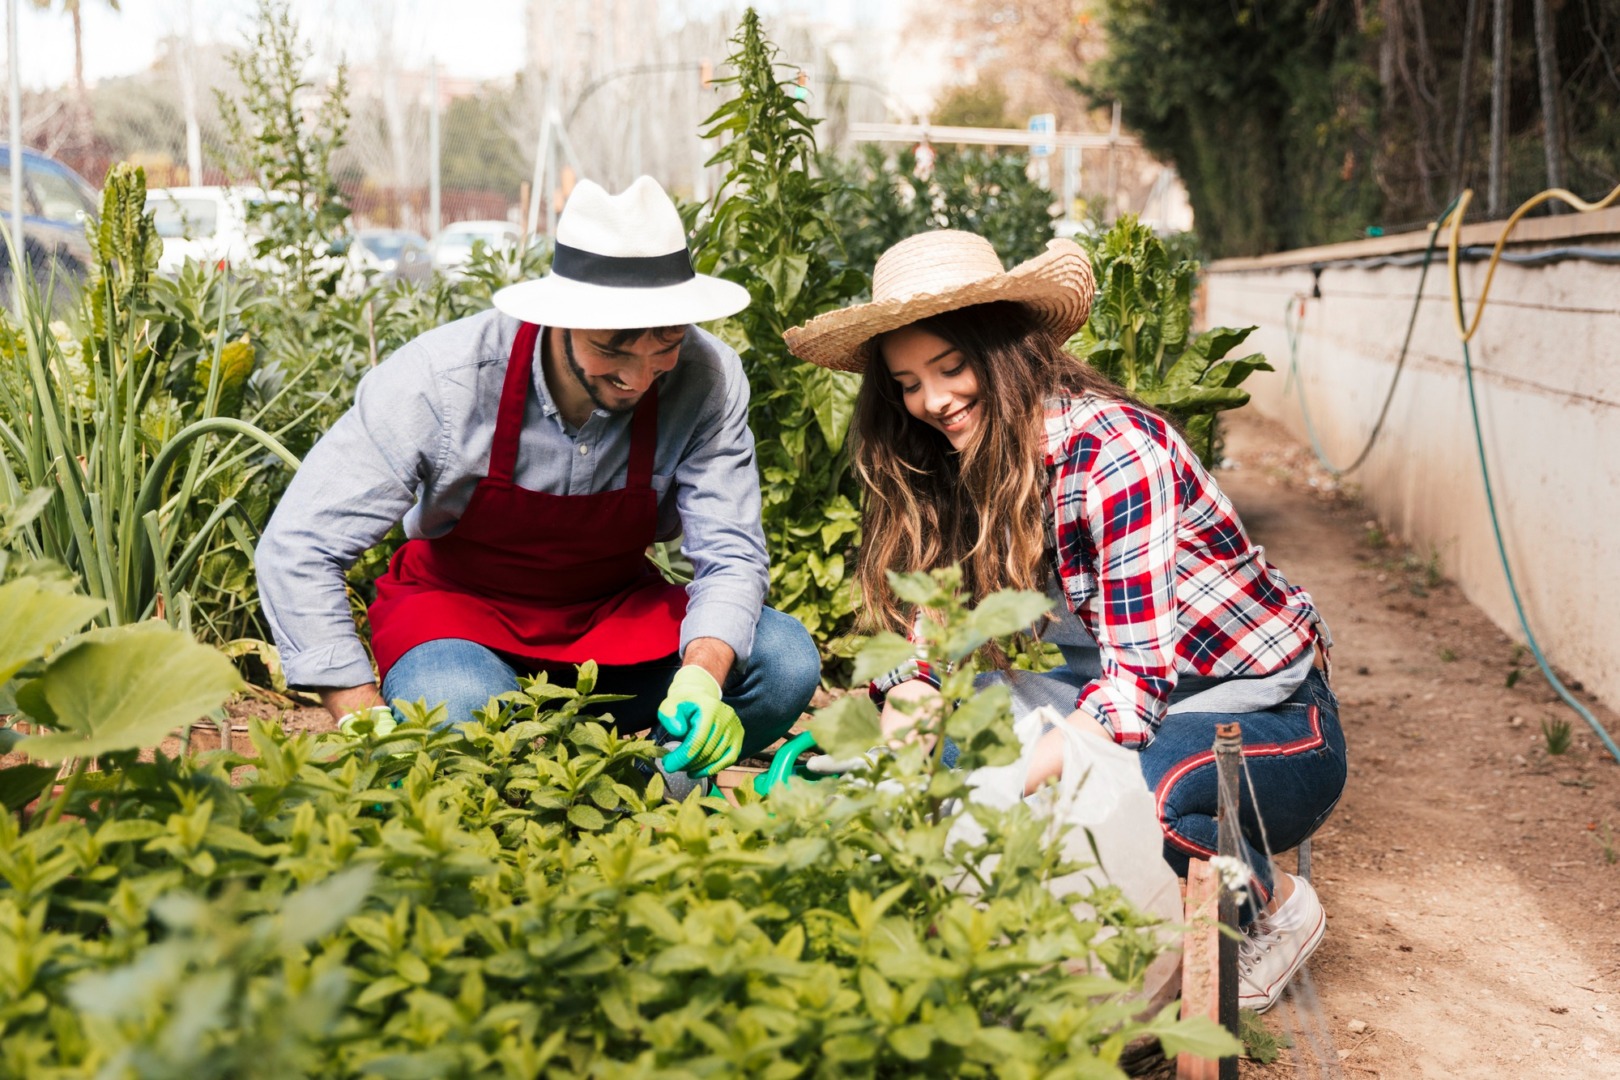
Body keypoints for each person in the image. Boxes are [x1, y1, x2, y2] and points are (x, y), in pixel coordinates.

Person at [783, 230, 1347, 1013]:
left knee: (1147, 792)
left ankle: (1271, 905)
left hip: (1262, 715)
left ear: (1008, 350)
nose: (933, 400)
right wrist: (904, 741)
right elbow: (927, 647)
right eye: (909, 382)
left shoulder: (1111, 451)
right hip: (1129, 688)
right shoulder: (951, 460)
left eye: (951, 366)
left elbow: (1135, 690)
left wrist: (1026, 775)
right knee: (940, 740)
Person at [257, 176, 821, 785]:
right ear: (560, 319)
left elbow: (731, 555)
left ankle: (635, 800)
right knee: (463, 708)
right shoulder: (440, 379)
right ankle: (546, 803)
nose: (640, 377)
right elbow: (299, 548)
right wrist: (364, 720)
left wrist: (702, 676)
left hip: (613, 618)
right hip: (458, 620)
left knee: (783, 660)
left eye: (666, 344)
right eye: (613, 350)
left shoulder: (708, 378)